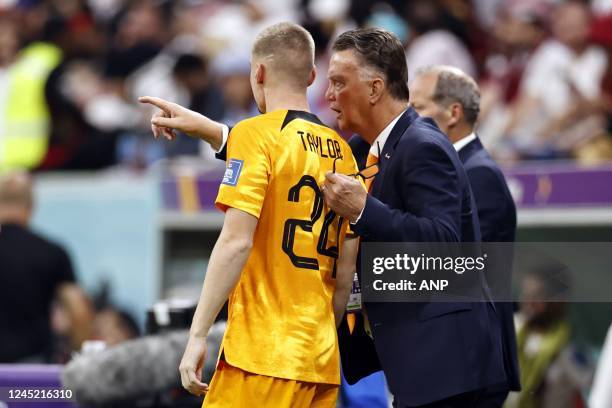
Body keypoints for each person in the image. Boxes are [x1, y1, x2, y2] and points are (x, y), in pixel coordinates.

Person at [141, 22, 359, 407]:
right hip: (319, 361)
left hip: (261, 355)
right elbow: (345, 275)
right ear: (311, 75)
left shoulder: (254, 134)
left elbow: (236, 241)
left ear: (258, 73)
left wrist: (196, 336)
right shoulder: (344, 153)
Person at [320, 28, 507, 407]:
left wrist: (363, 210)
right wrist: (224, 139)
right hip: (416, 360)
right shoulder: (366, 147)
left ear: (374, 89)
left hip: (448, 365)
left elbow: (442, 243)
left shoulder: (423, 146)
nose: (328, 96)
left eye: (338, 83)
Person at [409, 65, 521, 404]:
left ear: (453, 112)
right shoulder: (454, 171)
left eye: (419, 108)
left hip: (472, 363)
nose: (410, 119)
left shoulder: (478, 175)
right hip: (454, 360)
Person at [0, 171, 93, 362]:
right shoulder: (52, 252)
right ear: (31, 207)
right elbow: (79, 312)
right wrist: (82, 356)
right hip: (32, 369)